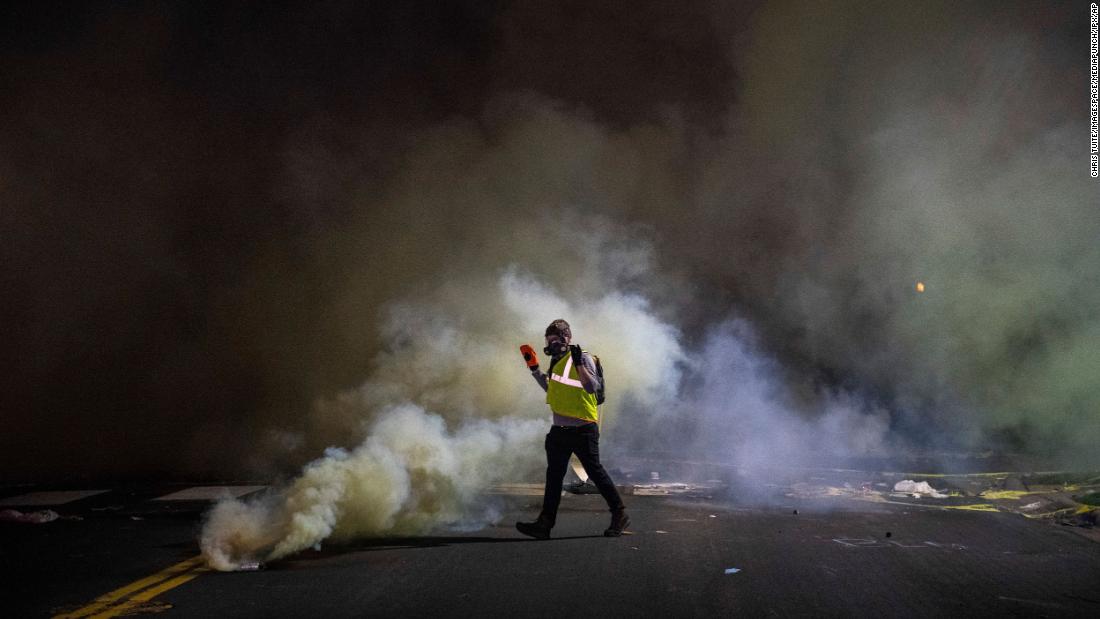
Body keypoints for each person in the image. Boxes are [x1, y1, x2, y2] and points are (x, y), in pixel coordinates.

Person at [516, 319, 630, 539]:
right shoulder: (557, 361)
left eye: (556, 339)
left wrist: (578, 364)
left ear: (567, 338)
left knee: (595, 472)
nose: (552, 344)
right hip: (559, 430)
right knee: (554, 477)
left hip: (582, 429)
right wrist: (534, 369)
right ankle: (544, 524)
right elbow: (551, 389)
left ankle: (620, 514)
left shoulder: (583, 358)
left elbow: (591, 387)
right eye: (549, 340)